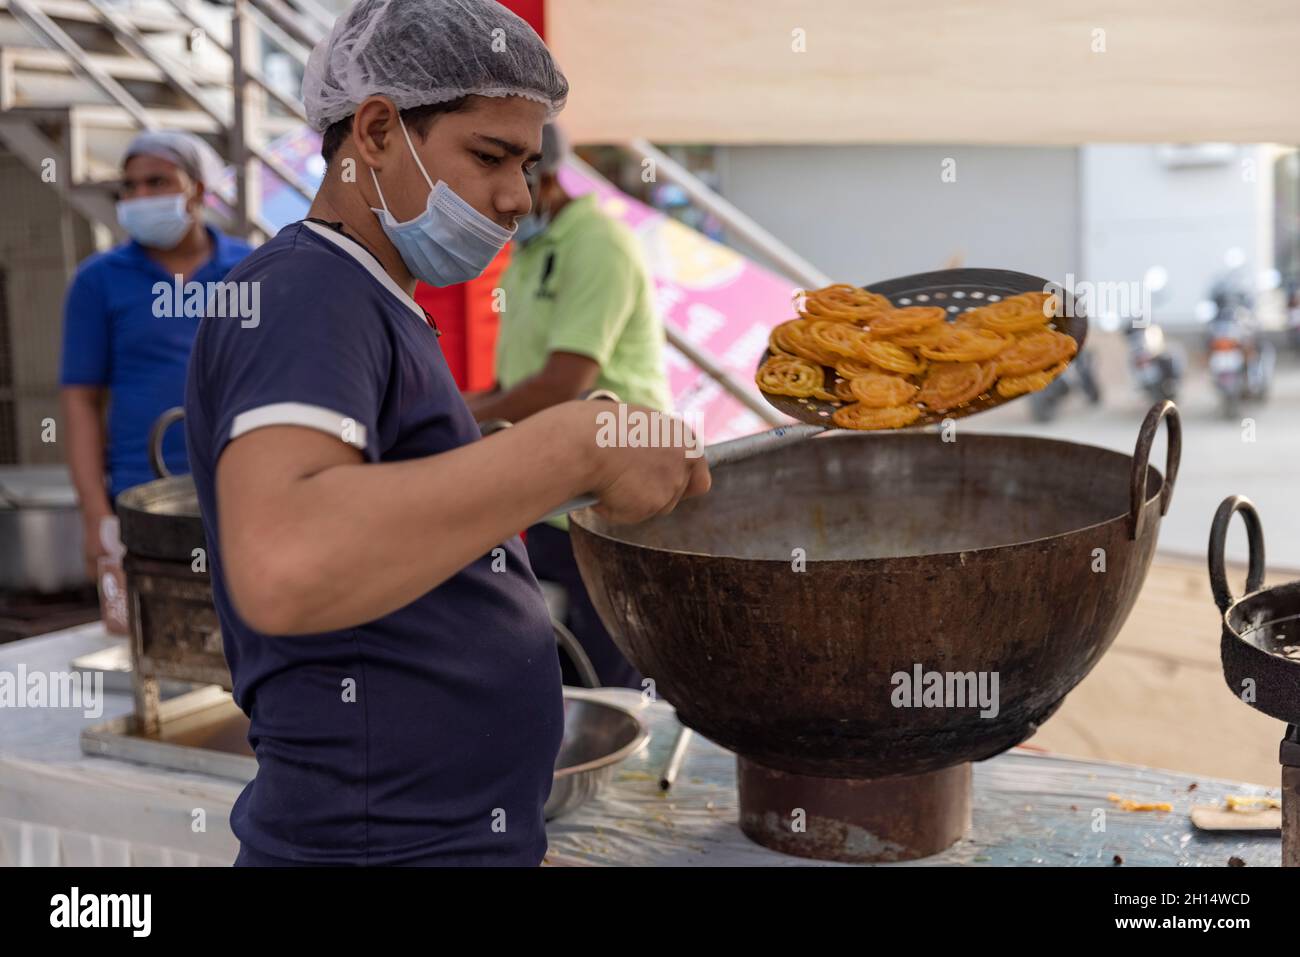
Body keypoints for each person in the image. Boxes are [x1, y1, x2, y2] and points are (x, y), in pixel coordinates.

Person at [184, 0, 708, 867]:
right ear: (378, 131)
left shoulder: (380, 303)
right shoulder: (307, 293)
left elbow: (398, 490)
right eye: (491, 156)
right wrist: (573, 447)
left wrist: (567, 456)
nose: (514, 196)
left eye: (529, 162)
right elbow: (287, 560)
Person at [468, 123, 670, 689]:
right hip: (555, 496)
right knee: (565, 666)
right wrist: (453, 406)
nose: (500, 206)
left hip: (612, 488)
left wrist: (464, 420)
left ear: (544, 176)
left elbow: (560, 384)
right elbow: (518, 382)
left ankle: (615, 772)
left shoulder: (597, 242)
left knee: (616, 676)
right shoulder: (532, 249)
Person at [60, 130, 251, 577]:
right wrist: (95, 514)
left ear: (197, 190)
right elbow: (80, 400)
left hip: (243, 489)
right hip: (140, 497)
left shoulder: (251, 269)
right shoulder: (98, 280)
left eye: (157, 182)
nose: (139, 195)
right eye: (130, 186)